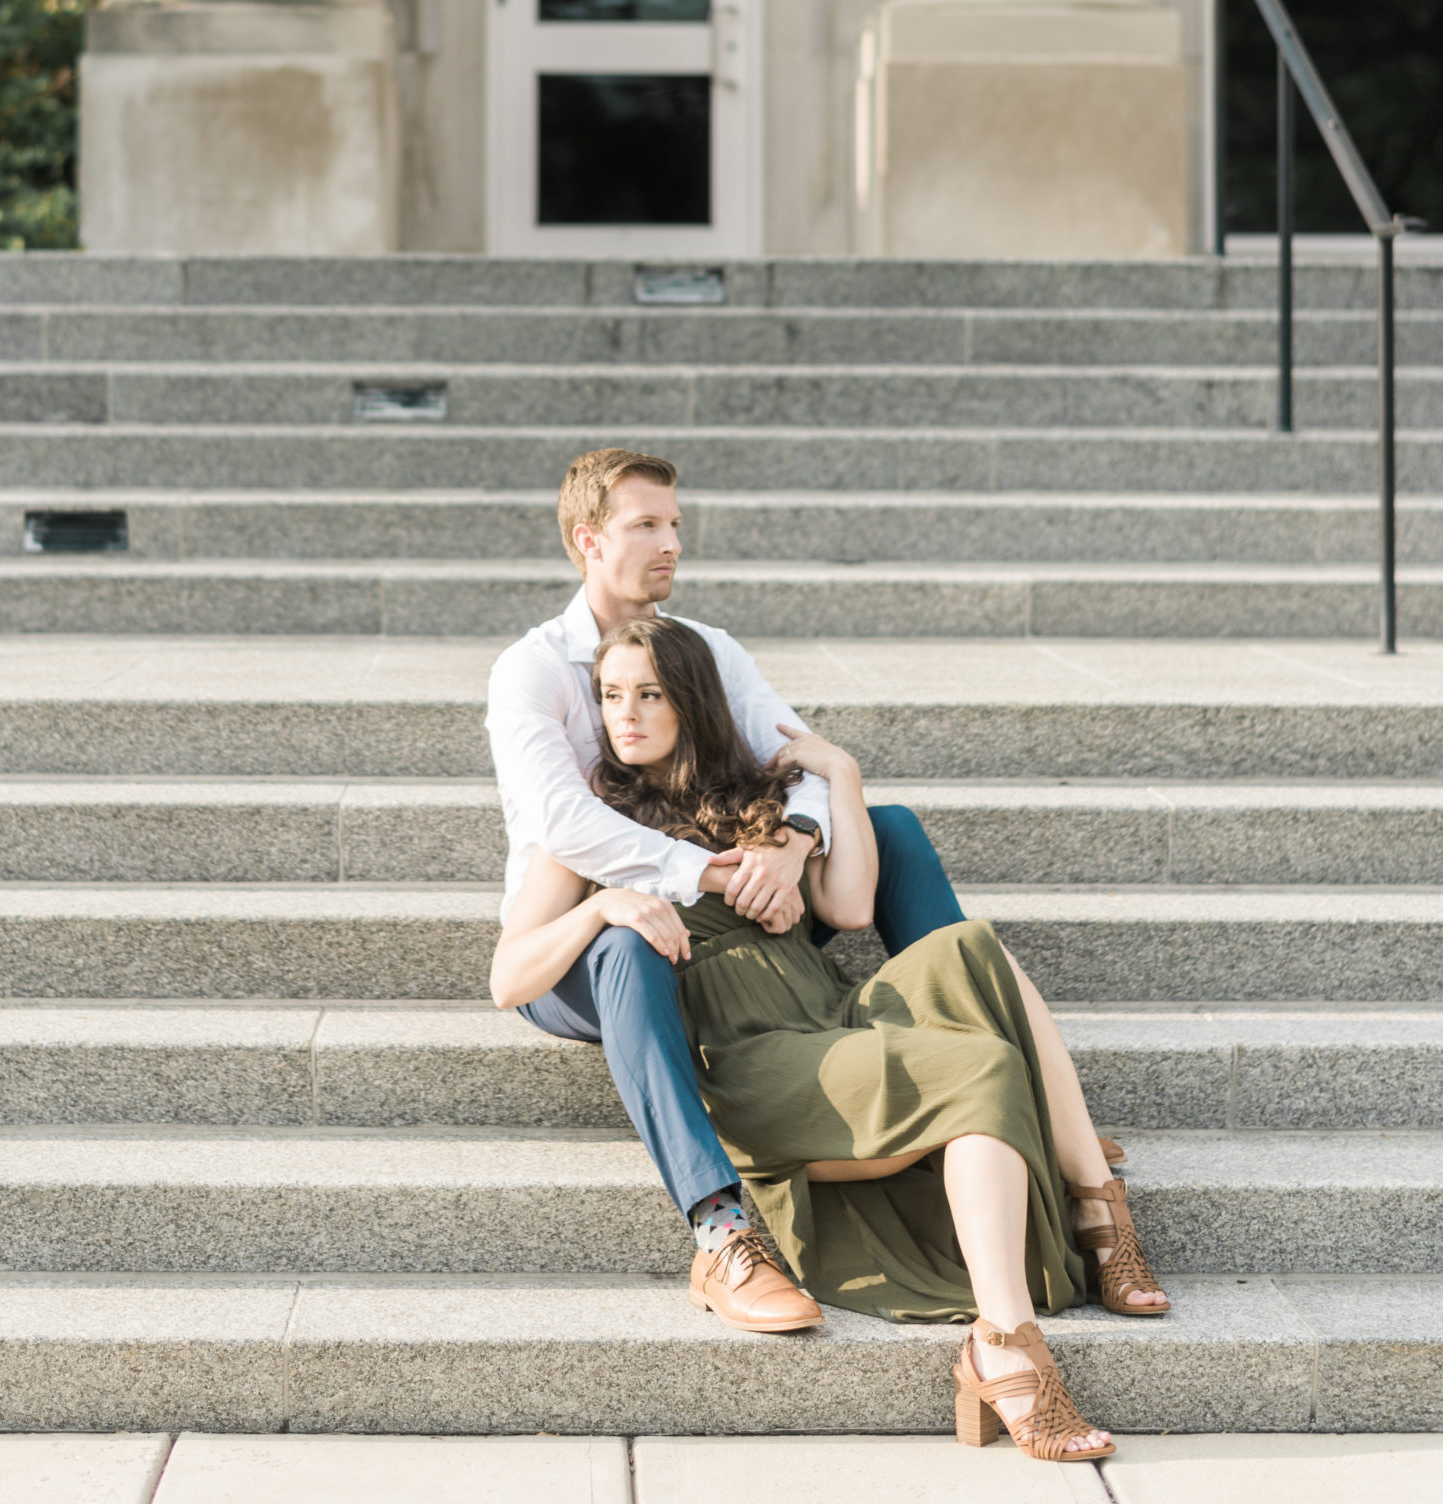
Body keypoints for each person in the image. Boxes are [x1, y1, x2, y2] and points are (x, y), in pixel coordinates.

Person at [491, 614, 1172, 1466]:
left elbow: (850, 908)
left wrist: (839, 774)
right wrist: (598, 907)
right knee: (980, 1069)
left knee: (971, 949)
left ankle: (1089, 1204)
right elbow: (507, 977)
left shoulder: (749, 807)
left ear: (692, 703)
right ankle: (1007, 1345)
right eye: (610, 696)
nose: (621, 715)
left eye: (649, 695)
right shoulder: (592, 827)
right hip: (755, 1060)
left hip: (828, 1016)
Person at [484, 446, 968, 1335]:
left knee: (887, 828)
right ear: (588, 540)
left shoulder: (704, 648)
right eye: (645, 525)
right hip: (579, 943)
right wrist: (709, 873)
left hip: (731, 916)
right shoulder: (532, 669)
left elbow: (797, 756)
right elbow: (565, 821)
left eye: (674, 524)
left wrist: (790, 847)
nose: (670, 542)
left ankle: (974, 1067)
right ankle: (722, 1232)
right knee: (626, 940)